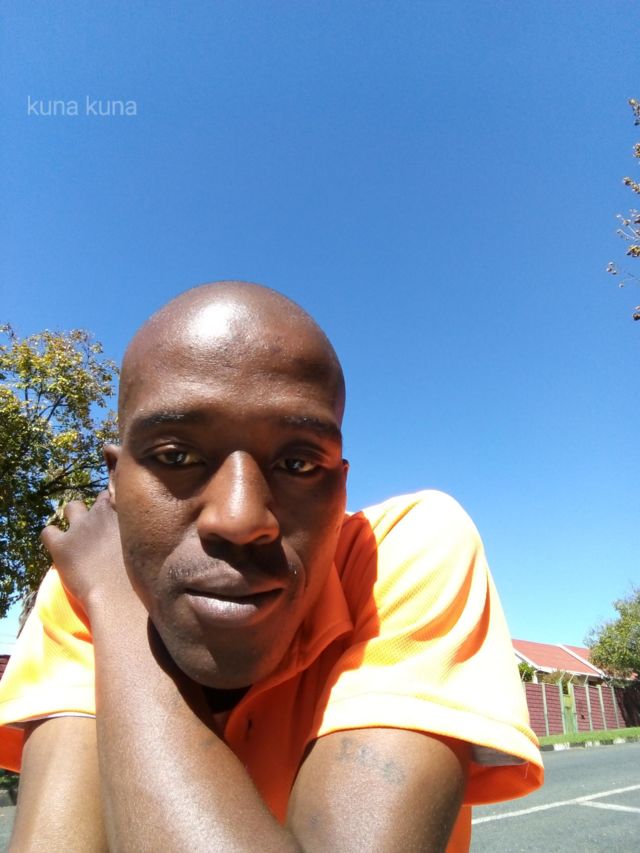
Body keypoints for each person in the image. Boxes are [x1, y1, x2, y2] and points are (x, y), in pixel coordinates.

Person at [0, 281, 542, 852]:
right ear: (115, 487)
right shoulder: (84, 582)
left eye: (297, 464)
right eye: (176, 456)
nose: (240, 519)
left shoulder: (401, 553)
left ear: (341, 488)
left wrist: (116, 604)